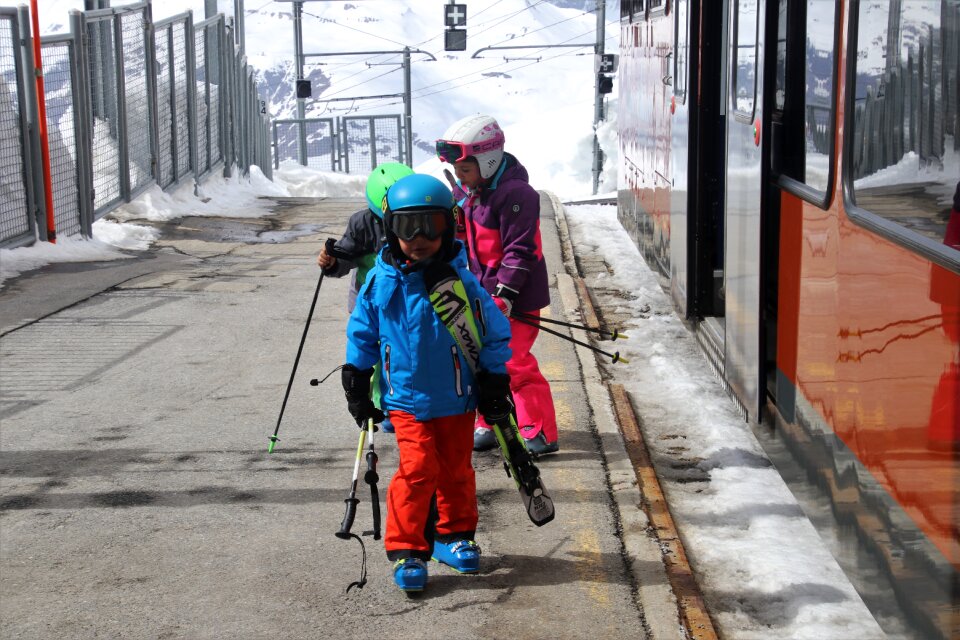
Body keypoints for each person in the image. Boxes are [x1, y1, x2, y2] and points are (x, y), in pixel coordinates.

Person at [340, 173, 513, 592]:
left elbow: (494, 332)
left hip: (456, 398)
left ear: (447, 225)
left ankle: (452, 536)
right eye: (406, 227)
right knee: (418, 469)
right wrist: (357, 380)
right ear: (389, 229)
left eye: (429, 226)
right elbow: (362, 332)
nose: (418, 238)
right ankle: (407, 548)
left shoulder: (461, 281)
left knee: (456, 470)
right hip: (406, 399)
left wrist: (493, 377)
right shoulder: (381, 283)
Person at [436, 114, 559, 455]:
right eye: (457, 171)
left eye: (465, 169)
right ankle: (488, 421)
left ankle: (541, 430)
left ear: (487, 160)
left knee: (513, 361)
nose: (460, 177)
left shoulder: (516, 195)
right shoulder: (475, 192)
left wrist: (505, 294)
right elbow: (469, 242)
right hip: (482, 295)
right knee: (479, 359)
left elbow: (522, 249)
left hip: (515, 298)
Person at [318, 163, 414, 432]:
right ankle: (381, 405)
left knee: (398, 353)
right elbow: (344, 258)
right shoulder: (361, 223)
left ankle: (399, 403)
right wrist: (331, 261)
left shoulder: (418, 217)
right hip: (367, 299)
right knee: (372, 355)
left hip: (406, 300)